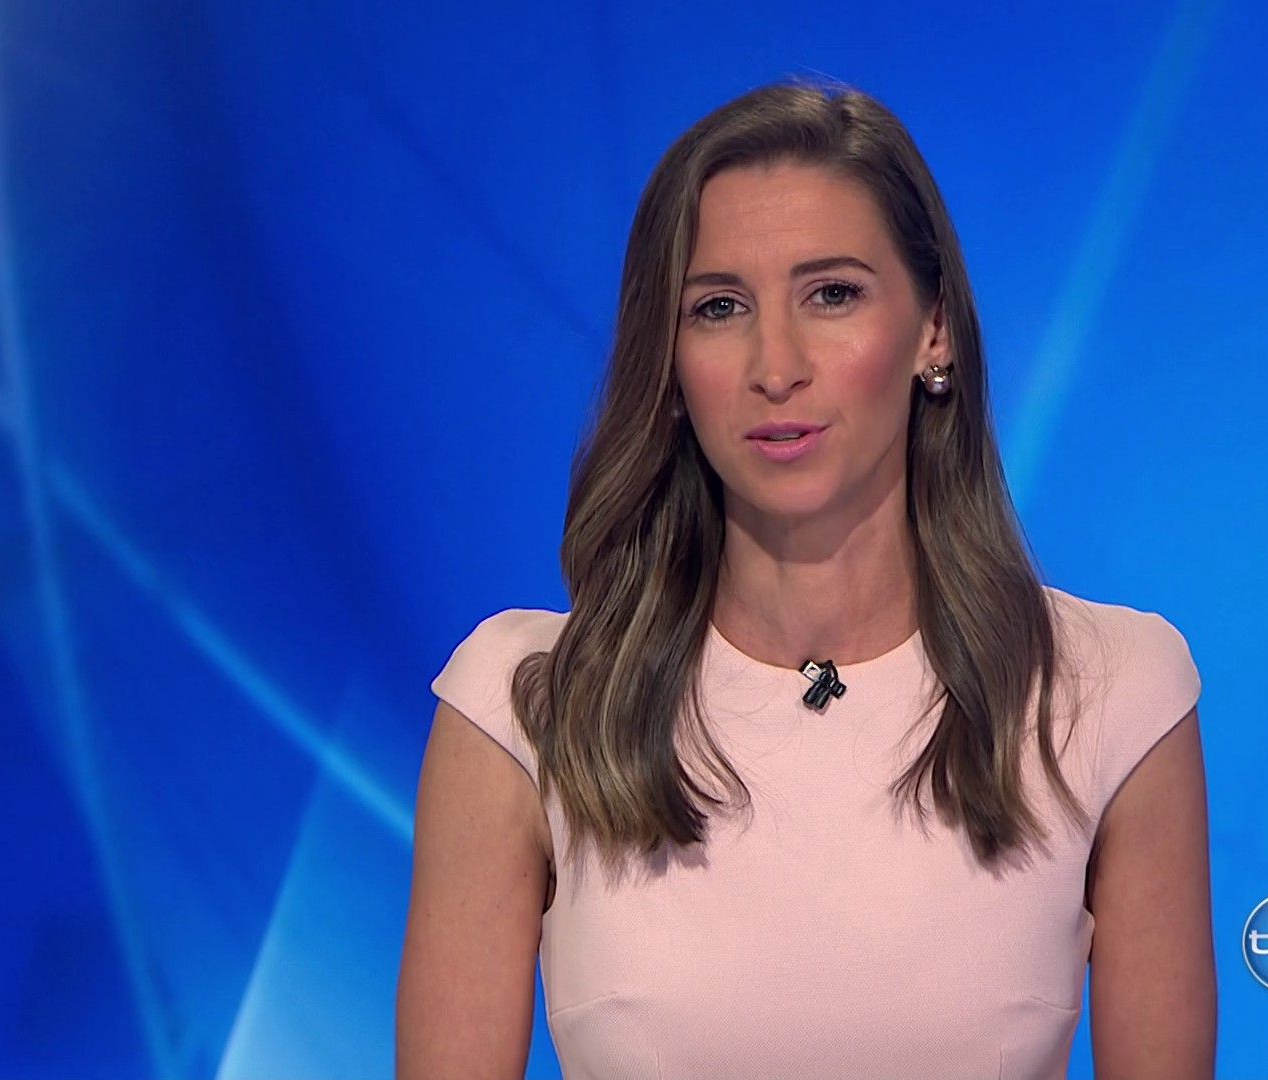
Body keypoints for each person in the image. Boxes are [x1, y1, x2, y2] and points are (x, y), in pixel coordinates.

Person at [397, 75, 1213, 1080]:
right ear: (669, 359)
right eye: (718, 307)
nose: (774, 365)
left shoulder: (1111, 693)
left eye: (832, 294)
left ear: (934, 329)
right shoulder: (523, 709)